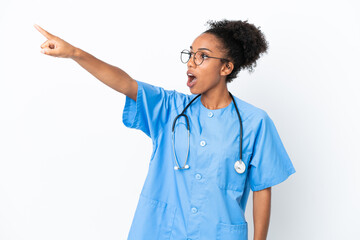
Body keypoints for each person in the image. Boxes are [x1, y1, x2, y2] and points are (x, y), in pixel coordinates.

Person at [34, 19, 295, 240]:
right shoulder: (170, 108)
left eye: (202, 56)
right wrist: (74, 53)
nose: (191, 62)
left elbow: (262, 188)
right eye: (191, 54)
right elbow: (125, 83)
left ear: (226, 67)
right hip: (159, 230)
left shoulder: (255, 122)